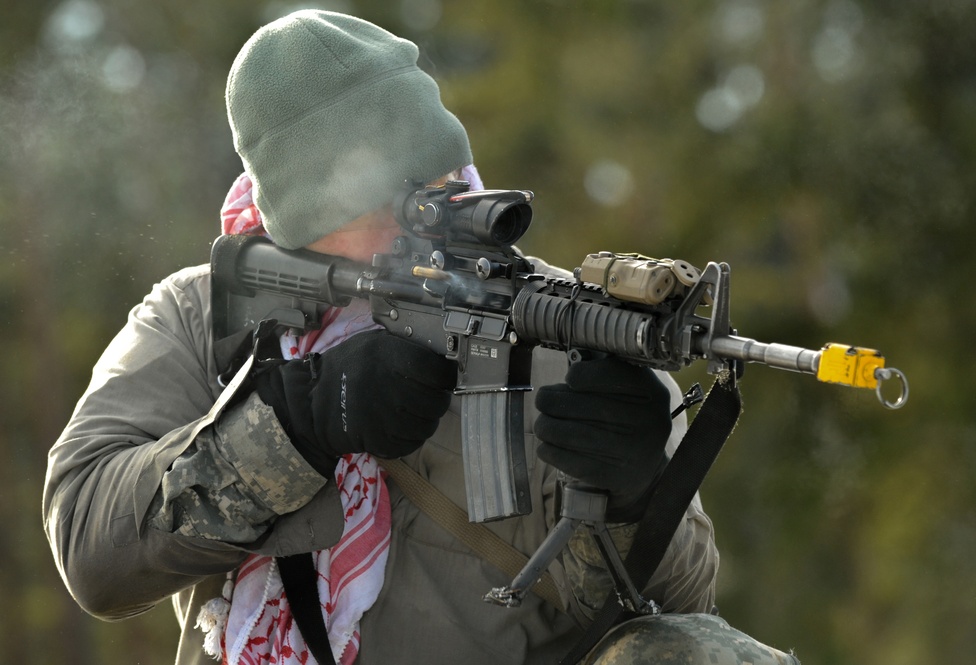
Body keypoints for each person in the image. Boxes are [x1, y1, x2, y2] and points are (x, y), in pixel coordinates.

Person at [43, 10, 799, 665]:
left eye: (435, 188)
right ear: (296, 223)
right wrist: (298, 423)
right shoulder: (200, 316)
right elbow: (88, 547)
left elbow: (675, 608)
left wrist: (636, 495)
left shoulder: (552, 321)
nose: (422, 224)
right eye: (377, 203)